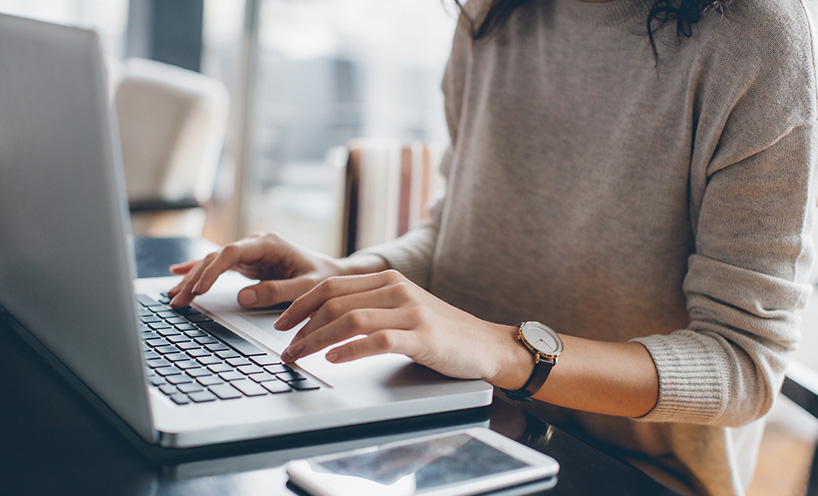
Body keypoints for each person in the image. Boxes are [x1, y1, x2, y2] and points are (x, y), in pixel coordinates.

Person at [168, 0, 818, 494]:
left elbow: (744, 365)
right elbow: (456, 229)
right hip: (446, 425)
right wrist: (349, 276)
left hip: (625, 470)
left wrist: (510, 351)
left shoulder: (756, 37)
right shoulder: (492, 12)